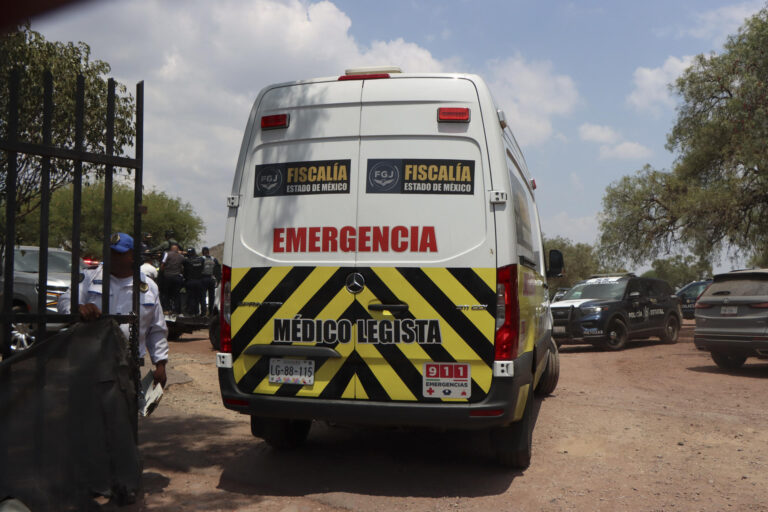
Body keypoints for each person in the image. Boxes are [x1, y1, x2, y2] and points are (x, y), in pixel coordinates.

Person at [58, 232, 168, 387]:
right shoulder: (90, 277)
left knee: (124, 409)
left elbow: (156, 329)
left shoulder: (148, 287)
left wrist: (160, 363)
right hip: (89, 361)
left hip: (128, 365)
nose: (112, 257)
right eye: (109, 252)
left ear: (133, 256)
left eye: (119, 254)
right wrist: (77, 308)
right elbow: (64, 301)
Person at [160, 243, 185, 314]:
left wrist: (162, 273)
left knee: (166, 294)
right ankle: (177, 311)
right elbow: (183, 267)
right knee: (177, 295)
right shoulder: (181, 256)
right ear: (177, 249)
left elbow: (162, 265)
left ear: (171, 249)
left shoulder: (167, 254)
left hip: (167, 277)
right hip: (177, 277)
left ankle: (167, 309)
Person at [183, 247, 204, 316]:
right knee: (197, 297)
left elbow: (184, 271)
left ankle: (191, 312)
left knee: (191, 297)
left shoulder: (186, 261)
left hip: (190, 281)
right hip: (199, 281)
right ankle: (197, 312)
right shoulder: (201, 260)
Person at [201, 246, 219, 315]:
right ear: (209, 252)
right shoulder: (214, 259)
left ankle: (203, 312)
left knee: (203, 296)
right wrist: (217, 280)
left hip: (203, 279)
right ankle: (211, 312)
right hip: (212, 279)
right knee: (212, 296)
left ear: (202, 253)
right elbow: (217, 270)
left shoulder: (201, 259)